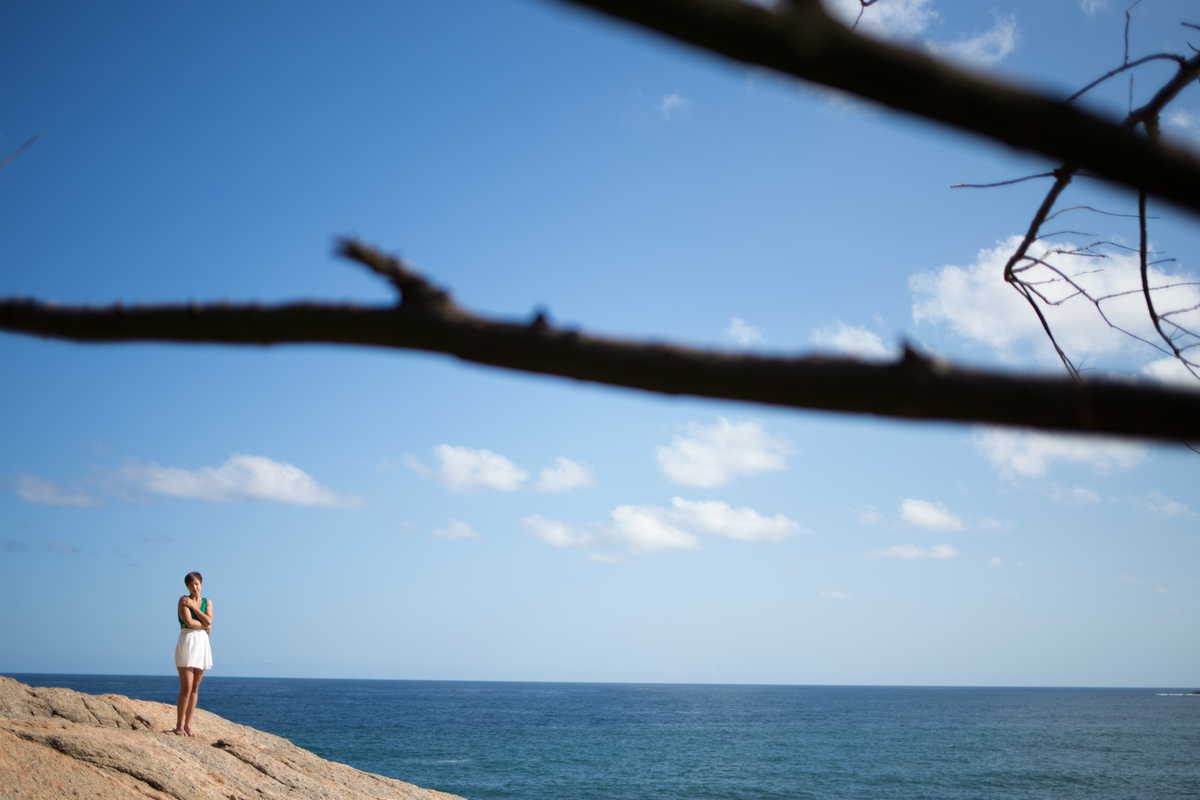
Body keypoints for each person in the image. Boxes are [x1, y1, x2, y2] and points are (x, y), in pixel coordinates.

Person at [174, 571, 213, 737]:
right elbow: (189, 622)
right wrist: (204, 625)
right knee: (187, 687)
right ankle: (179, 725)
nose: (194, 587)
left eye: (196, 584)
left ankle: (188, 725)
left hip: (202, 644)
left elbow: (209, 620)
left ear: (201, 584)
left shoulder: (207, 601)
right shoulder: (184, 601)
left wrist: (194, 608)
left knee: (195, 688)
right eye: (191, 585)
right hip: (188, 641)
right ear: (187, 587)